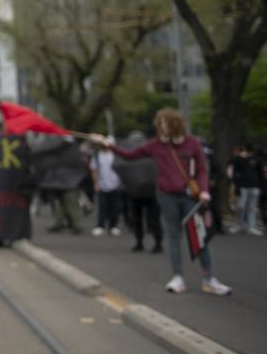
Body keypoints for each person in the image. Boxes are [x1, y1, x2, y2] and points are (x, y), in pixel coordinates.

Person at [95, 109, 231, 296]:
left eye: (165, 124)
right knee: (173, 235)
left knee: (199, 238)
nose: (161, 128)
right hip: (167, 195)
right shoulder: (155, 145)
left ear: (176, 125)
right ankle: (177, 276)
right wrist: (109, 145)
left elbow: (201, 169)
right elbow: (130, 155)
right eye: (159, 124)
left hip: (190, 195)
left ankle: (209, 278)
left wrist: (204, 190)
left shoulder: (192, 143)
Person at [229, 143, 264, 235]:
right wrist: (236, 184)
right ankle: (240, 224)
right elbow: (234, 171)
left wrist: (261, 185)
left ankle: (252, 226)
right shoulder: (239, 160)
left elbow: (261, 173)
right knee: (241, 206)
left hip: (255, 186)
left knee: (252, 207)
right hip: (243, 186)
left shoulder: (257, 159)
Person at [91, 137, 123, 237]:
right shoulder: (97, 156)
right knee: (102, 206)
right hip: (102, 184)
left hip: (116, 184)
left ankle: (114, 226)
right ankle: (100, 226)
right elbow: (94, 170)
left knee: (115, 207)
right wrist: (96, 183)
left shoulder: (117, 155)